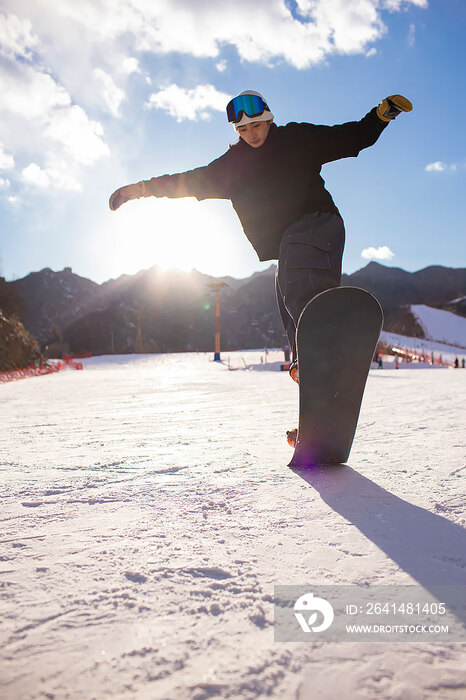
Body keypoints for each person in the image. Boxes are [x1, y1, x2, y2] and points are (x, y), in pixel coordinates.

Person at [109, 90, 412, 382]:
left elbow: (350, 138)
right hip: (292, 242)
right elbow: (188, 181)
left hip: (318, 223)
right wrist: (144, 189)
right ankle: (311, 374)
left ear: (269, 119)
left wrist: (381, 115)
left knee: (295, 278)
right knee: (284, 290)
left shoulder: (296, 139)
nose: (251, 134)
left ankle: (324, 350)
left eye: (256, 125)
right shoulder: (232, 166)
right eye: (242, 129)